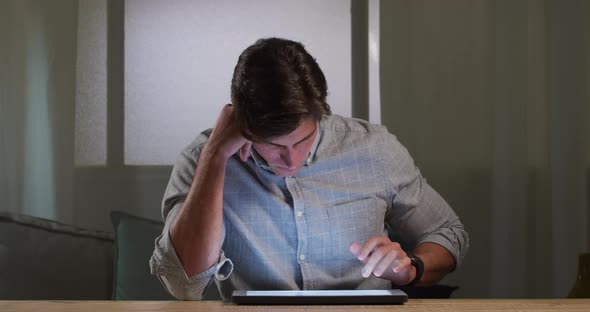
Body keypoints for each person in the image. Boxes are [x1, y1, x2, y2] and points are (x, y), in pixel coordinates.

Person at [150, 37, 469, 300]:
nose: (291, 161)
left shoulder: (374, 148)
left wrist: (413, 266)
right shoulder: (203, 158)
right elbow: (183, 285)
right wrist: (215, 157)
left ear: (321, 115)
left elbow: (448, 233)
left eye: (303, 140)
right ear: (242, 125)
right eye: (274, 145)